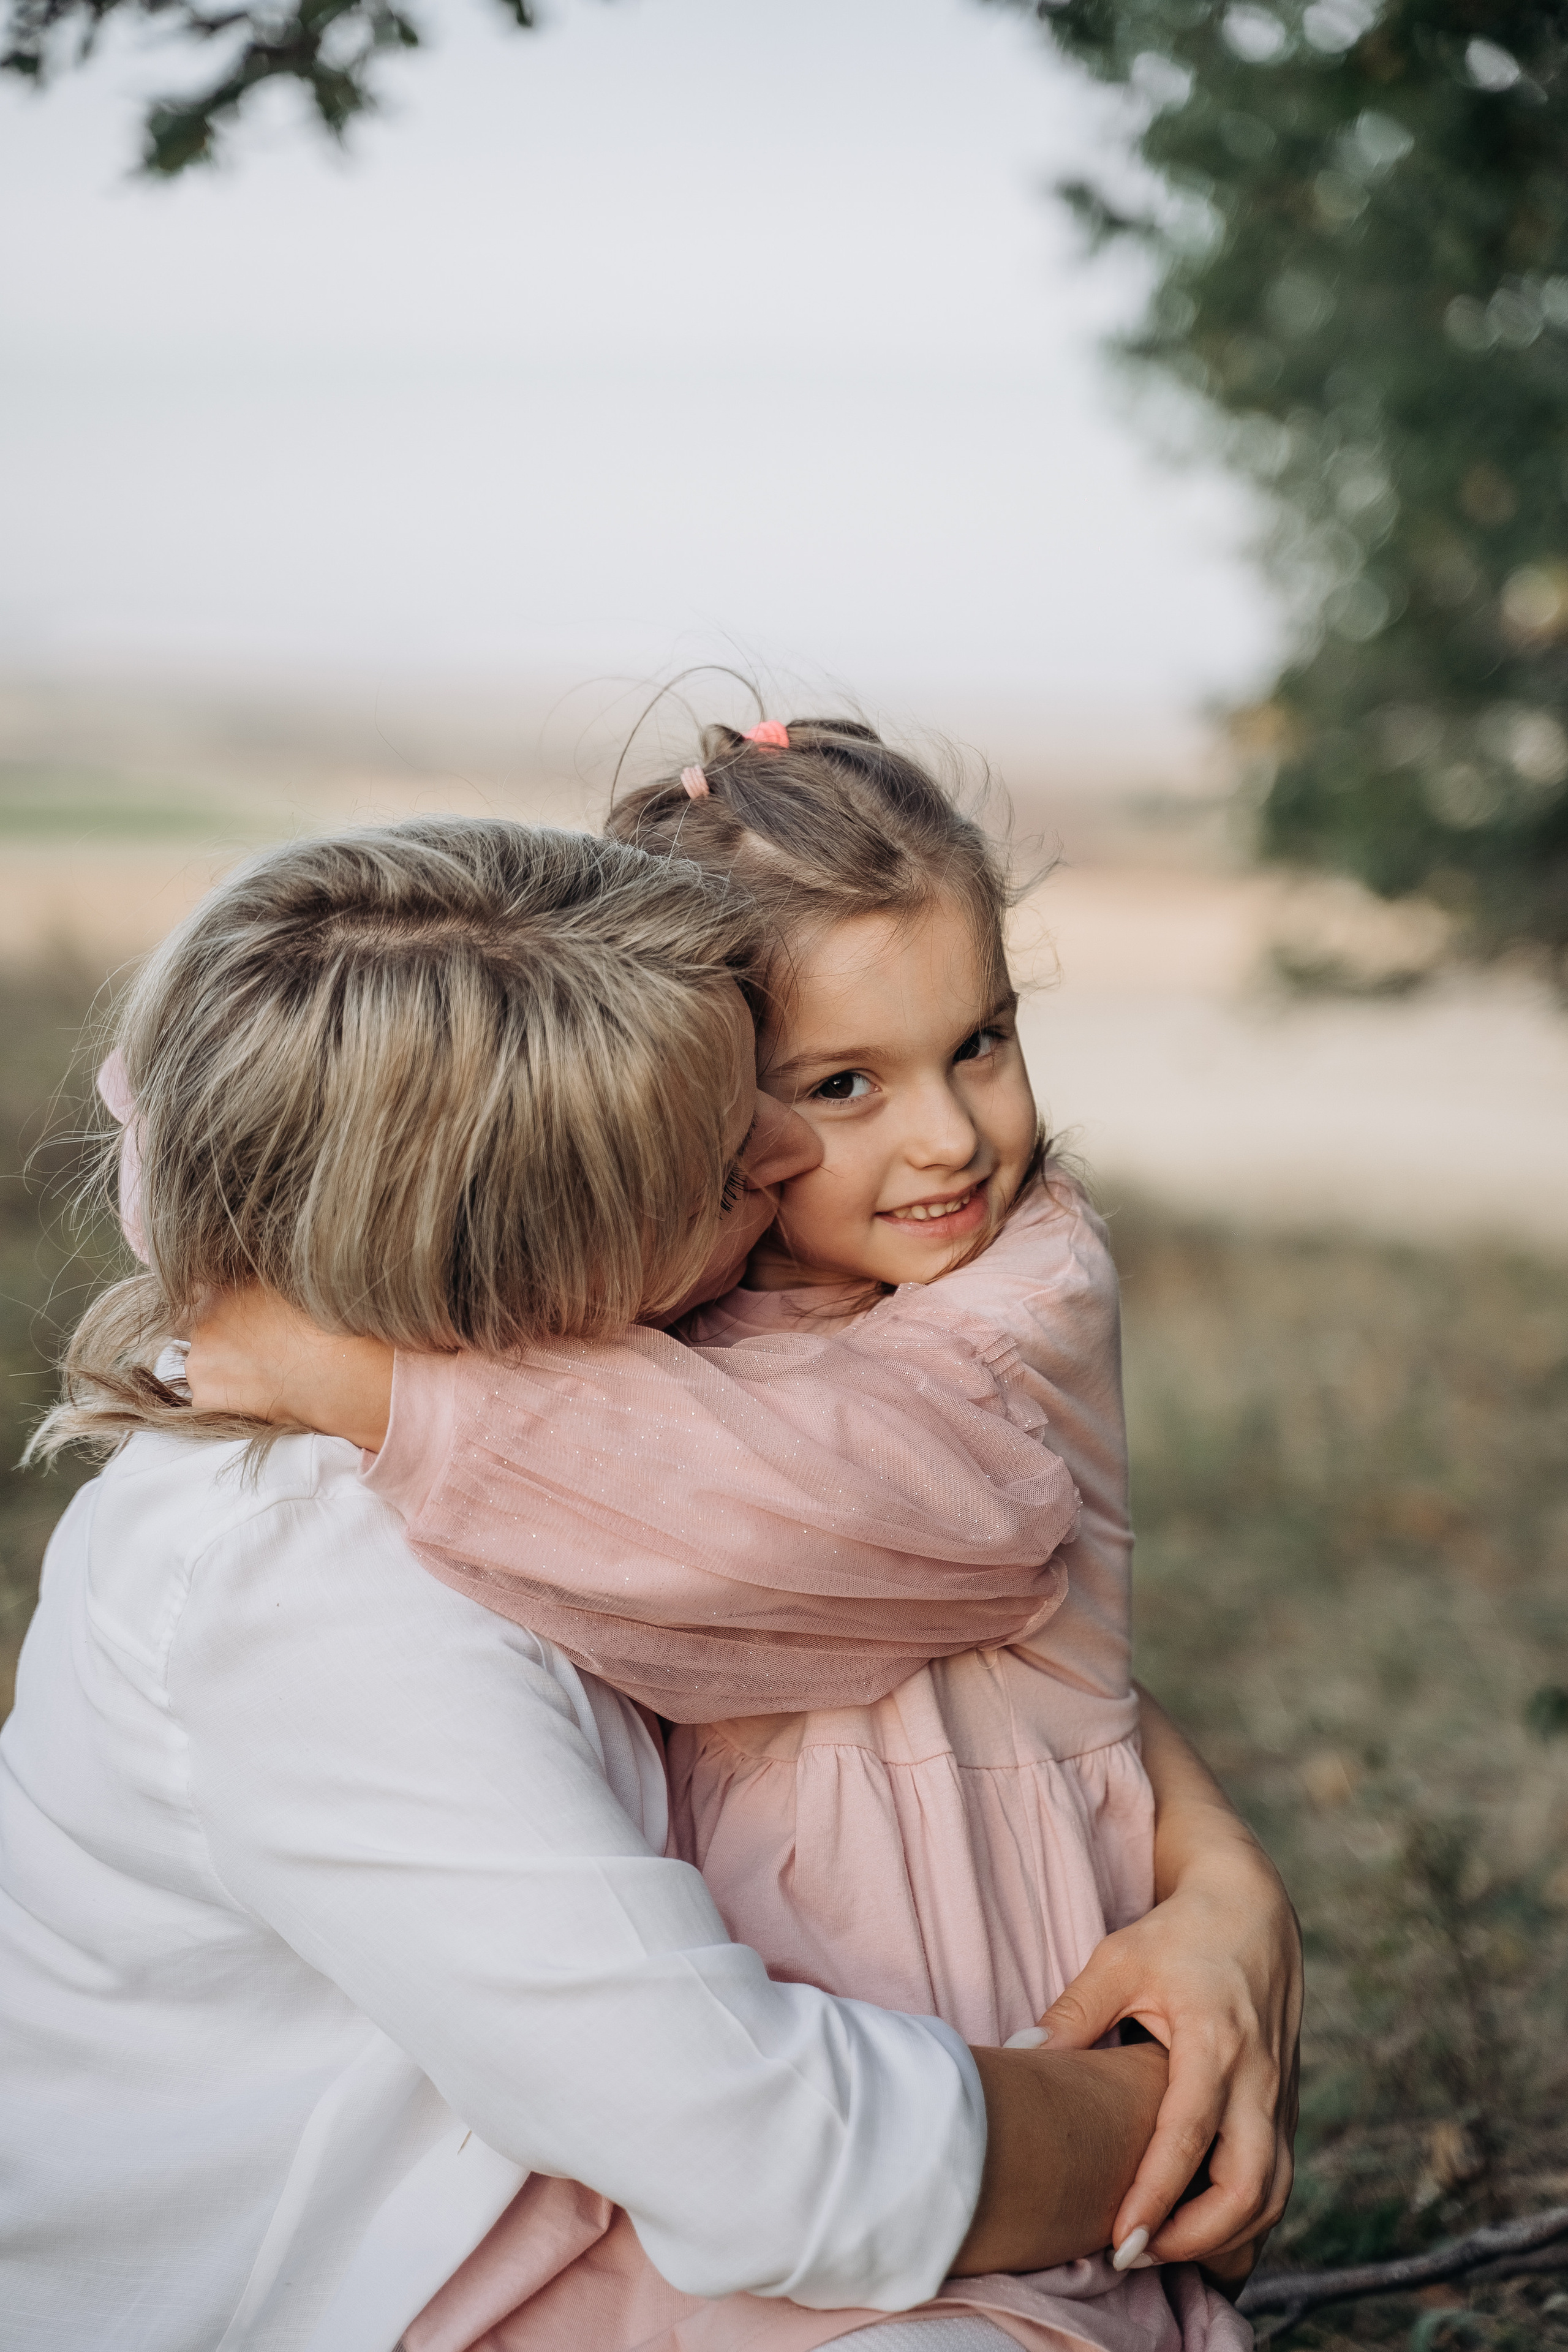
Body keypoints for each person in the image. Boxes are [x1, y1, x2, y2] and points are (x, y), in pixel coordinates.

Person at [0, 816, 1189, 2352]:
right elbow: (771, 2160)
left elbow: (956, 1596)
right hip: (359, 2293)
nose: (784, 1154)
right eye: (714, 1165)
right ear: (527, 1271)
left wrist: (1221, 1885)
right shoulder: (306, 1590)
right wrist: (1167, 2121)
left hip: (549, 2218)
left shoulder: (583, 1423)